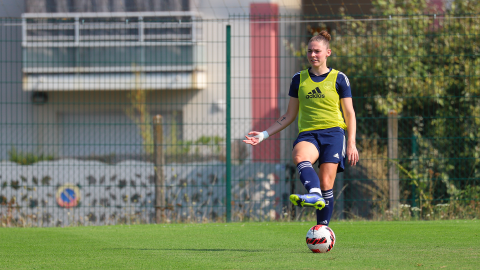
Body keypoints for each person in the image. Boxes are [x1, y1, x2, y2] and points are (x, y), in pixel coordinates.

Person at [243, 30, 359, 226]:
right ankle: (313, 194)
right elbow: (289, 115)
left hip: (334, 134)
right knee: (299, 156)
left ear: (328, 53)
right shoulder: (299, 79)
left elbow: (350, 114)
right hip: (308, 134)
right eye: (309, 51)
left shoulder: (340, 79)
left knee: (326, 184)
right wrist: (263, 135)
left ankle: (322, 230)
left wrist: (352, 144)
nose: (313, 55)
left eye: (317, 51)